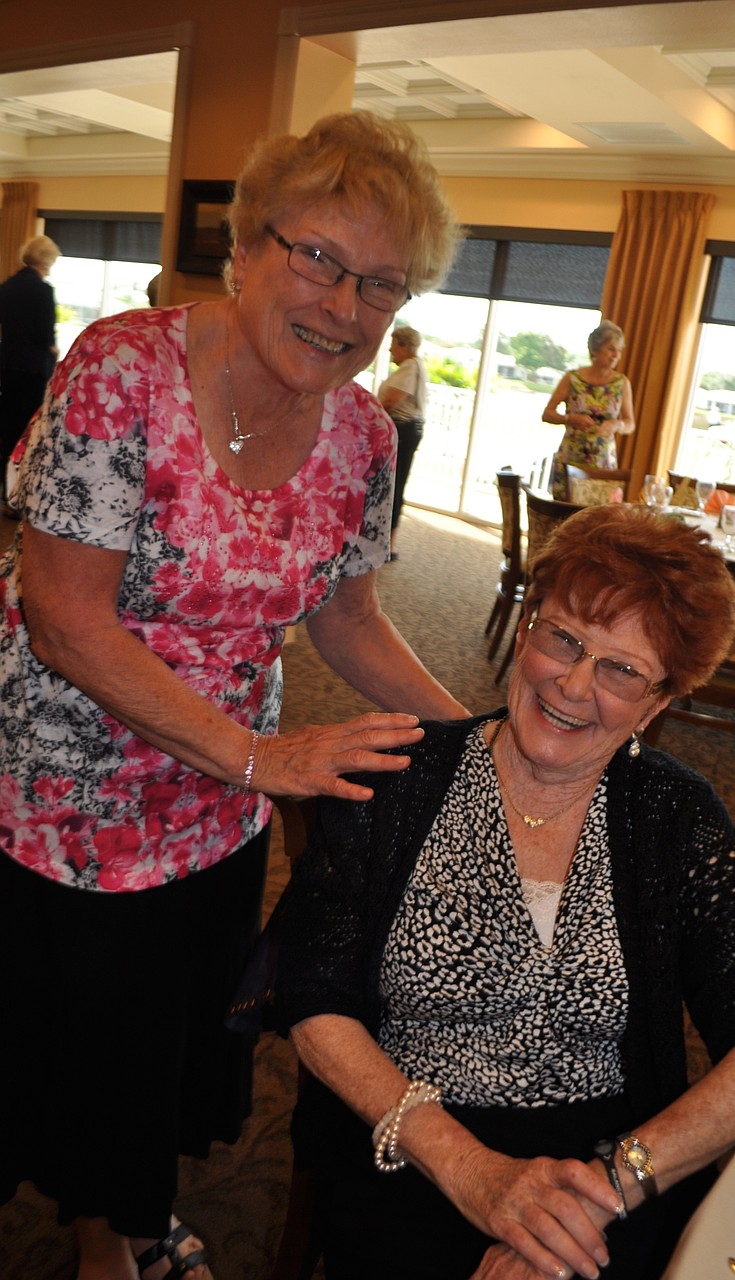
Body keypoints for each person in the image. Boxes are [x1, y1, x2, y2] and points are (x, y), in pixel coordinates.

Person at [0, 112, 468, 1280]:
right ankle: (99, 1231)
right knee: (68, 1039)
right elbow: (64, 619)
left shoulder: (363, 435)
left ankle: (124, 1210)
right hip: (66, 802)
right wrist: (258, 756)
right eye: (316, 256)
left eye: (380, 286)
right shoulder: (123, 369)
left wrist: (487, 743)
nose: (342, 304)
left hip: (221, 807)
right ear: (245, 245)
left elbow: (346, 616)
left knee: (163, 1037)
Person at [269, 504, 735, 1280]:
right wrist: (473, 1172)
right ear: (527, 627)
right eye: (564, 638)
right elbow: (309, 997)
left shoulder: (675, 815)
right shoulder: (397, 779)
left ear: (658, 703)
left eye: (623, 671)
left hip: (608, 1175)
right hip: (416, 1146)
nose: (573, 683)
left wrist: (600, 1193)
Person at [0, 233, 60, 517]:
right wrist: (54, 351)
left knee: (6, 426)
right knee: (28, 432)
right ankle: (17, 496)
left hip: (7, 364)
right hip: (34, 369)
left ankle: (3, 491)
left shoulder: (7, 286)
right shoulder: (43, 291)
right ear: (47, 260)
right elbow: (45, 335)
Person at [543, 320, 634, 493]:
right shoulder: (572, 378)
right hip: (570, 457)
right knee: (564, 514)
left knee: (597, 516)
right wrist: (569, 419)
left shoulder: (622, 383)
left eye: (619, 350)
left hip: (603, 462)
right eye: (611, 349)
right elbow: (547, 414)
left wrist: (617, 424)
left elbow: (630, 423)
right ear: (595, 350)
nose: (616, 355)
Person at [377, 323, 428, 559]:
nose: (390, 351)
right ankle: (385, 542)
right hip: (406, 429)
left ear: (404, 346)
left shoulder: (410, 367)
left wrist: (369, 408)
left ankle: (388, 545)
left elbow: (393, 399)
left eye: (393, 346)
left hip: (403, 430)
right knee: (393, 484)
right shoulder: (414, 366)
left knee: (393, 485)